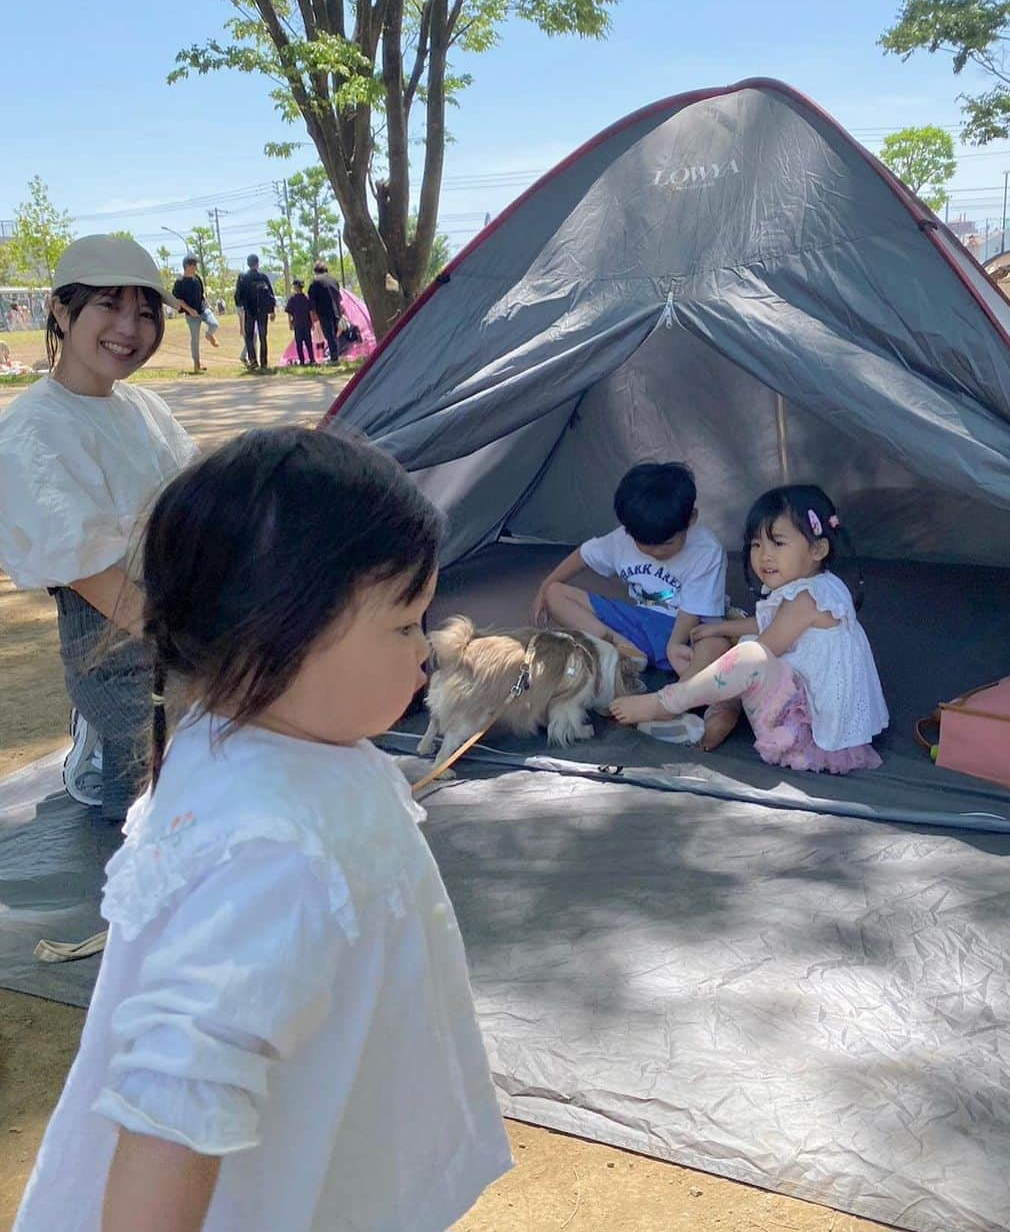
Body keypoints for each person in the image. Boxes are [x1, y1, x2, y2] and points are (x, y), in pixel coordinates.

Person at [13, 426, 512, 1232]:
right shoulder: (269, 848)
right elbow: (173, 1099)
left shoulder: (263, 742)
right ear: (276, 632)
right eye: (404, 624)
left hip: (319, 1148)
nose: (427, 649)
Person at [0, 236, 197, 820]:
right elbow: (89, 573)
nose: (130, 329)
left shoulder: (142, 407)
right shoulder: (33, 432)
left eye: (145, 312)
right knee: (147, 808)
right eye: (108, 305)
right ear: (62, 310)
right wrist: (193, 647)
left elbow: (198, 499)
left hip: (176, 614)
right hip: (116, 643)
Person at [611, 484, 889, 771]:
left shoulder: (806, 599)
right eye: (756, 545)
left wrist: (722, 655)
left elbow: (762, 649)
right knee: (739, 639)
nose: (764, 556)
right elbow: (770, 623)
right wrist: (719, 629)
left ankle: (668, 703)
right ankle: (718, 712)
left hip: (805, 730)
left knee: (748, 654)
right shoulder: (822, 585)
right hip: (815, 704)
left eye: (777, 543)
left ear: (818, 548)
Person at [530, 462, 731, 741]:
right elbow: (584, 555)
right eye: (645, 546)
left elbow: (693, 610)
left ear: (692, 518)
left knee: (718, 646)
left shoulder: (706, 550)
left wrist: (674, 644)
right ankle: (623, 650)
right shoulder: (622, 539)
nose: (657, 552)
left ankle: (673, 701)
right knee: (556, 593)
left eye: (667, 544)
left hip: (686, 633)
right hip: (638, 625)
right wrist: (545, 585)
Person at [171, 255, 220, 374]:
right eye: (194, 265)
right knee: (195, 339)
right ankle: (197, 364)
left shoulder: (197, 278)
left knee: (214, 324)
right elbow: (178, 300)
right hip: (190, 314)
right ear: (187, 266)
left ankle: (209, 335)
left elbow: (202, 294)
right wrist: (190, 310)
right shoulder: (179, 282)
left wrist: (207, 304)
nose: (195, 267)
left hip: (203, 309)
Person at [234, 254, 276, 371]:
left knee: (249, 336)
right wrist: (272, 310)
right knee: (263, 337)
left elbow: (238, 295)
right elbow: (271, 295)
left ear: (248, 264)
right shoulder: (263, 277)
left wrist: (240, 306)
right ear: (257, 263)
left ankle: (253, 360)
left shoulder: (243, 277)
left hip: (249, 311)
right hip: (263, 311)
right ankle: (264, 362)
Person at [308, 259, 342, 364]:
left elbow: (312, 299)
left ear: (315, 271)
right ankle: (335, 355)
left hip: (324, 311)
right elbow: (339, 297)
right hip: (336, 310)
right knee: (334, 335)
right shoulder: (334, 280)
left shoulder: (316, 281)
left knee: (329, 335)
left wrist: (313, 313)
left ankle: (334, 358)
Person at [285, 277, 315, 365]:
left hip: (304, 324)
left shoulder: (304, 298)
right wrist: (290, 323)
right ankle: (303, 360)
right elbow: (289, 313)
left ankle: (311, 359)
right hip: (300, 324)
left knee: (306, 342)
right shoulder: (294, 299)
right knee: (300, 343)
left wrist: (312, 323)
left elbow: (310, 312)